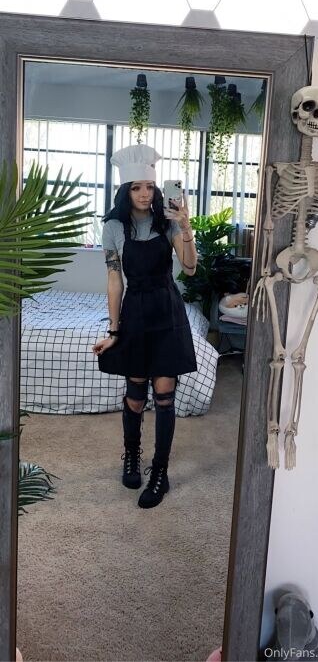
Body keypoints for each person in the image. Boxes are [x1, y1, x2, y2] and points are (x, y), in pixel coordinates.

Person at [92, 144, 197, 509]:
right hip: (135, 313)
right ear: (126, 190)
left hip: (167, 312)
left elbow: (189, 268)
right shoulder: (113, 228)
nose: (144, 194)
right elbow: (114, 280)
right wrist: (114, 331)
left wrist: (186, 227)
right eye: (137, 187)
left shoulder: (168, 222)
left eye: (149, 187)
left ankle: (160, 473)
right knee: (136, 396)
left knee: (164, 395)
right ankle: (132, 457)